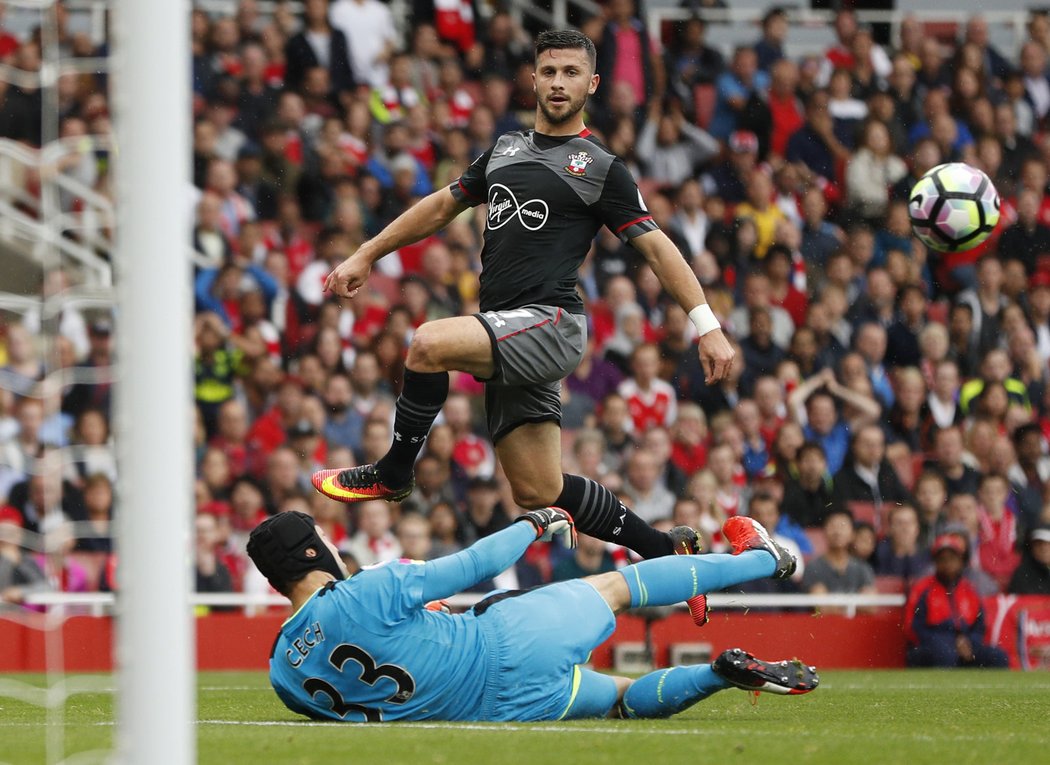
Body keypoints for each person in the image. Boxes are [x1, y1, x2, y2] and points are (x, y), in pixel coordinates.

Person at [314, 31, 733, 579]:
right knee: (540, 490)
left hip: (550, 324)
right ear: (533, 78)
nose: (559, 82)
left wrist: (707, 325)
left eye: (571, 73)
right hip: (506, 331)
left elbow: (656, 247)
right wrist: (366, 254)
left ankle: (393, 472)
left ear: (593, 83)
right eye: (550, 71)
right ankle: (661, 549)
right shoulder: (504, 149)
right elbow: (442, 206)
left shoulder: (601, 167)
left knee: (428, 342)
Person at [247, 508, 816, 722]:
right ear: (311, 553)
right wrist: (536, 522)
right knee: (620, 586)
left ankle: (716, 676)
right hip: (504, 642)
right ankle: (766, 558)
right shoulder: (368, 589)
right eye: (323, 538)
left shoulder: (281, 673)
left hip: (504, 710)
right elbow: (476, 562)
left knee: (622, 699)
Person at [903, 533, 1009, 668]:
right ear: (935, 562)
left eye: (952, 558)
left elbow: (979, 627)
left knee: (998, 657)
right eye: (943, 559)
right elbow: (914, 629)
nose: (948, 564)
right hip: (931, 647)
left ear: (961, 561)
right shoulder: (922, 589)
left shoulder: (970, 590)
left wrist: (969, 642)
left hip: (964, 644)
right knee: (945, 655)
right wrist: (951, 642)